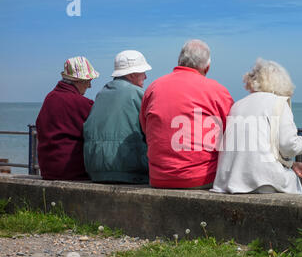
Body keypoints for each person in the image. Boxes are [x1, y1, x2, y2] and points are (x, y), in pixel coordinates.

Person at [211, 58, 302, 194]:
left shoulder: (237, 105)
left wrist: (291, 165)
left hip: (229, 182)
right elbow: (290, 147)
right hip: (262, 183)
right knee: (293, 184)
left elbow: (253, 151)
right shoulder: (278, 103)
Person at [140, 39, 234, 189]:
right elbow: (231, 134)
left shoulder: (153, 88)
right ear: (207, 68)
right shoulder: (217, 91)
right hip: (201, 178)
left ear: (179, 61)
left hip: (158, 178)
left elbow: (146, 129)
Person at [83, 50, 152, 184]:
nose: (146, 77)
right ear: (132, 74)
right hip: (130, 171)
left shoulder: (101, 94)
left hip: (96, 171)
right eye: (143, 72)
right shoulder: (137, 93)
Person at [36, 56, 99, 180]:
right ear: (79, 81)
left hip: (47, 169)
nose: (90, 86)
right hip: (72, 170)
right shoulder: (83, 103)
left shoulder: (50, 98)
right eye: (88, 81)